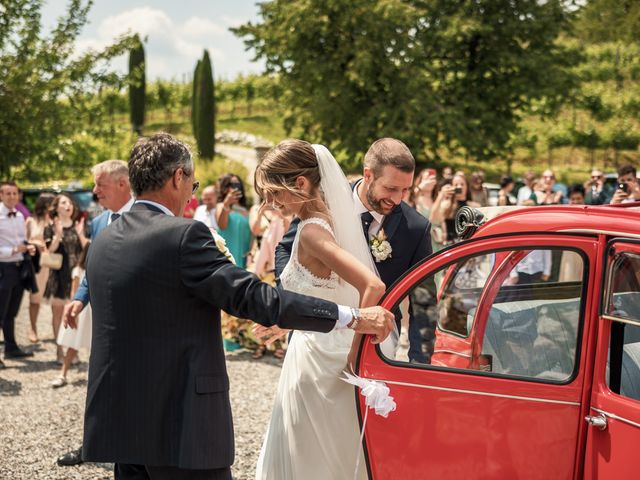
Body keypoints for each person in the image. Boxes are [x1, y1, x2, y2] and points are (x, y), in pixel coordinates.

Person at [75, 133, 394, 480]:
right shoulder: (182, 236)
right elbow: (250, 297)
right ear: (177, 177)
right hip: (180, 428)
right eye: (193, 183)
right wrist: (351, 317)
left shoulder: (104, 239)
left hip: (122, 422)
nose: (192, 193)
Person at [255, 139, 388, 479]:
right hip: (311, 347)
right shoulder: (319, 223)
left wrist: (355, 354)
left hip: (319, 359)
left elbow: (372, 286)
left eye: (275, 193)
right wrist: (285, 324)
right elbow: (322, 292)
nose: (270, 203)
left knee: (308, 459)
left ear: (300, 183)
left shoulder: (313, 231)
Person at [275, 138, 432, 362]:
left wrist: (419, 366)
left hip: (373, 347)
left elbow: (423, 303)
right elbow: (285, 249)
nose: (397, 199)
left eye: (405, 190)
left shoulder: (416, 228)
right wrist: (289, 302)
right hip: (316, 338)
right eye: (390, 188)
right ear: (368, 175)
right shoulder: (321, 203)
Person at [58, 159, 134, 468]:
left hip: (138, 320)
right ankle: (93, 446)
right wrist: (79, 299)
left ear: (121, 184)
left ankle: (133, 450)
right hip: (104, 320)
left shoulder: (144, 217)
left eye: (99, 185)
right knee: (99, 383)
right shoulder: (99, 223)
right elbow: (94, 268)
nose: (94, 191)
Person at [43, 194, 88, 363]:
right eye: (63, 202)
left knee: (74, 313)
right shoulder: (51, 226)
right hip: (58, 276)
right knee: (58, 313)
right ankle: (59, 350)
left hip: (76, 274)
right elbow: (49, 252)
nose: (68, 205)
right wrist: (58, 235)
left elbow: (87, 248)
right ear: (56, 207)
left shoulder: (79, 224)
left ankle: (72, 351)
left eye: (69, 202)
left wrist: (81, 234)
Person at [0, 181, 36, 364]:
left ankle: (11, 348)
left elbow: (21, 239)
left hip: (19, 269)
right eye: (8, 194)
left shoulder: (21, 216)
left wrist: (28, 247)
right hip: (3, 269)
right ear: (1, 195)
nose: (12, 197)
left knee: (11, 312)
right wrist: (14, 250)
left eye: (15, 193)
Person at [52, 241, 91, 388]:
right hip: (81, 310)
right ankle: (63, 373)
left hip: (92, 311)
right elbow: (74, 293)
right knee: (74, 344)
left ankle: (91, 375)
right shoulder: (78, 271)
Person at [25, 192, 55, 343]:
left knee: (56, 299)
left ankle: (57, 330)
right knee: (35, 298)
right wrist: (35, 245)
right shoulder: (31, 221)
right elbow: (25, 241)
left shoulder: (55, 222)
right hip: (38, 265)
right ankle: (33, 328)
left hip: (54, 264)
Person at [216, 174, 251, 268]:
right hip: (227, 255)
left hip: (243, 255)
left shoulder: (245, 209)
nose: (235, 186)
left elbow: (250, 233)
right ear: (226, 187)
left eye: (238, 183)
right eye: (232, 184)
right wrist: (226, 203)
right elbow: (222, 226)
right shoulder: (221, 206)